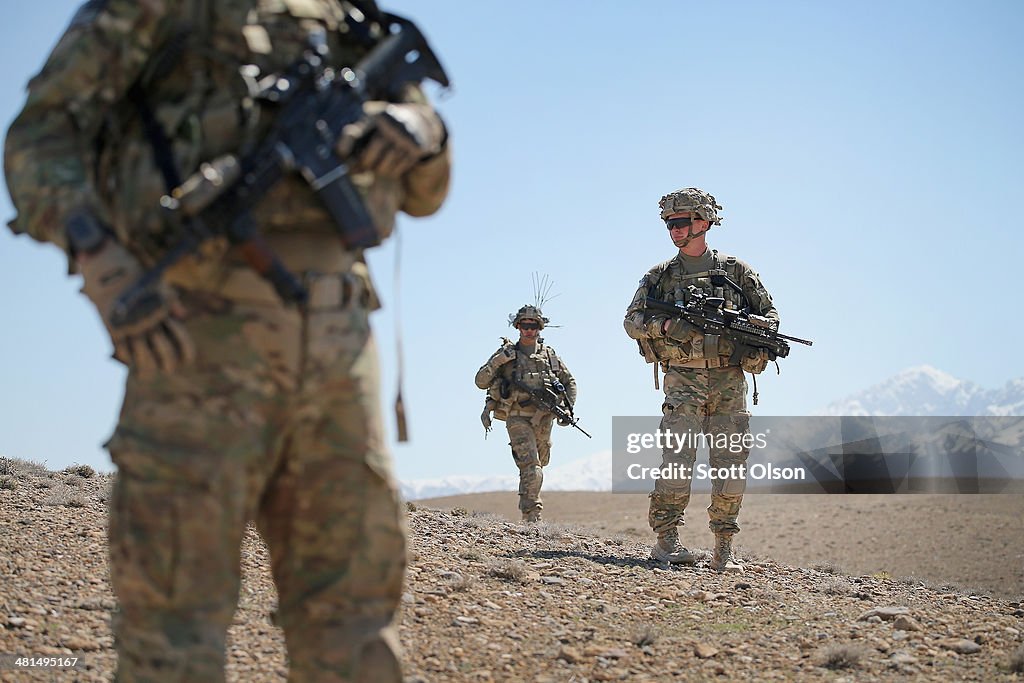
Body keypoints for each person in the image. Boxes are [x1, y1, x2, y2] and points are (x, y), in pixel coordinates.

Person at [4, 1, 450, 679]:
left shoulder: (340, 15)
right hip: (195, 342)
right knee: (172, 632)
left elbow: (427, 192)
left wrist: (425, 129)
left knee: (357, 631)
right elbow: (38, 140)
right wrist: (104, 264)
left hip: (338, 348)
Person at [623, 188, 777, 573]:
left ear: (704, 222)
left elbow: (771, 318)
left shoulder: (737, 271)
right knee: (677, 463)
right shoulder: (659, 276)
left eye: (681, 223)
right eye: (669, 224)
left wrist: (745, 331)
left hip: (728, 382)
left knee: (731, 467)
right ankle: (667, 541)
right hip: (683, 381)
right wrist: (668, 326)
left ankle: (724, 546)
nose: (674, 230)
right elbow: (632, 321)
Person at [475, 305, 577, 523]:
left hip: (544, 417)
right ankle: (532, 515)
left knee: (542, 460)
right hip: (516, 416)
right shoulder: (507, 354)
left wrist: (568, 407)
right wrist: (499, 361)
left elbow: (570, 382)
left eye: (533, 326)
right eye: (524, 325)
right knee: (531, 465)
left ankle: (531, 510)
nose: (529, 330)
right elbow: (480, 381)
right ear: (518, 327)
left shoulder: (549, 355)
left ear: (540, 328)